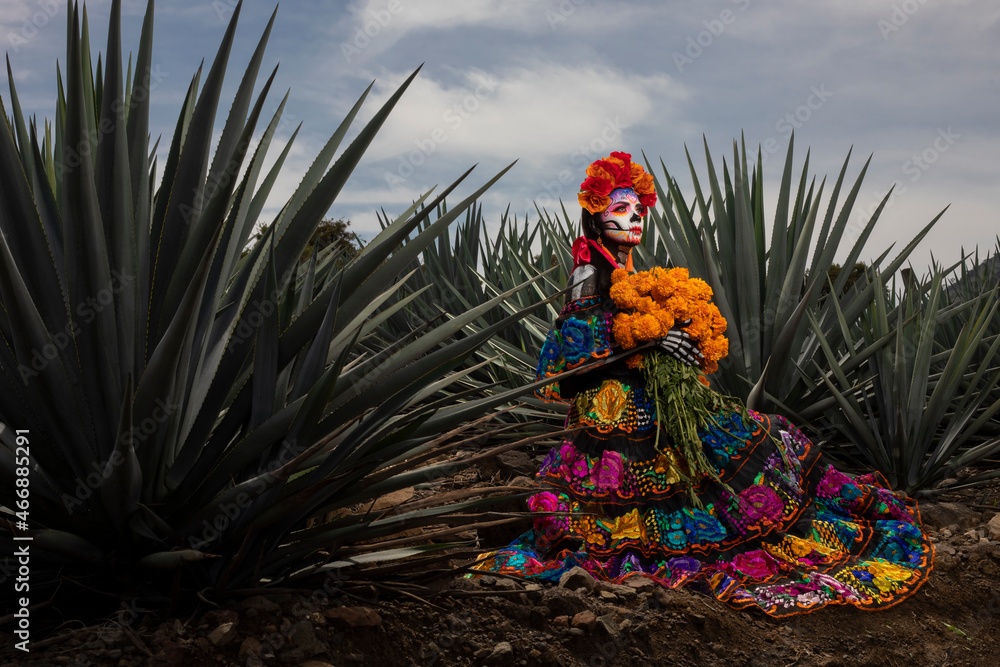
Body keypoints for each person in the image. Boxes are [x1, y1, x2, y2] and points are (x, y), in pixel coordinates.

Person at [470, 151, 933, 616]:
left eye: (638, 211)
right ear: (595, 216)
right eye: (619, 210)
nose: (633, 220)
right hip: (614, 411)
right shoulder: (589, 271)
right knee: (730, 449)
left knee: (761, 435)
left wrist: (675, 338)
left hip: (646, 394)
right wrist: (655, 346)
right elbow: (578, 362)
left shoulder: (626, 269)